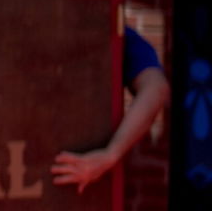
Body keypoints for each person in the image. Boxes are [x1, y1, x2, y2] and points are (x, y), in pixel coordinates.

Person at [52, 26, 169, 192]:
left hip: (82, 177)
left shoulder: (110, 24)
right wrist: (111, 153)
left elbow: (156, 88)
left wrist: (111, 154)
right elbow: (157, 88)